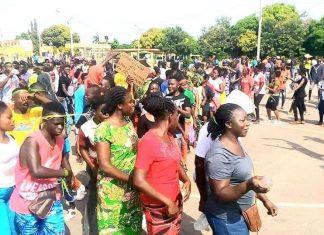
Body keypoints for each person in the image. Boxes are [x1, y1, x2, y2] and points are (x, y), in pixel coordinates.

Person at [205, 103, 278, 234]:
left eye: (247, 119)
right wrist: (249, 184)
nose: (247, 123)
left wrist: (265, 200)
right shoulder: (219, 155)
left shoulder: (235, 142)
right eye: (242, 120)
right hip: (227, 220)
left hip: (241, 215)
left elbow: (243, 178)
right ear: (228, 124)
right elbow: (220, 194)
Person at [10, 102, 72, 235]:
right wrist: (65, 173)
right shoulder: (32, 141)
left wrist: (71, 177)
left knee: (57, 232)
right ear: (45, 121)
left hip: (50, 198)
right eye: (56, 124)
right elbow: (36, 171)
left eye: (63, 123)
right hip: (27, 201)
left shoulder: (59, 139)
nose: (61, 127)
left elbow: (63, 159)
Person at [133, 94, 191, 235]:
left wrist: (186, 179)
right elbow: (138, 180)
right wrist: (167, 202)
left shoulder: (170, 137)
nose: (178, 120)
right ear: (171, 116)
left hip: (174, 202)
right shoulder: (148, 141)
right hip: (158, 207)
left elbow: (175, 161)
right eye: (177, 115)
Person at [94, 86, 142, 234]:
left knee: (132, 227)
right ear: (119, 105)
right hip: (112, 190)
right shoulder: (104, 129)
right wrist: (130, 179)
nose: (133, 104)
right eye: (130, 102)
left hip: (132, 189)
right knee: (114, 229)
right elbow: (104, 165)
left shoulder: (128, 124)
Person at [79, 97, 107, 235]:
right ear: (94, 111)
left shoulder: (110, 125)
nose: (106, 115)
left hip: (111, 169)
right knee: (93, 201)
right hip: (95, 169)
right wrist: (91, 165)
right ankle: (90, 230)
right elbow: (82, 148)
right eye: (102, 111)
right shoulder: (86, 128)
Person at [0, 101, 19, 235]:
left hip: (13, 191)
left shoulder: (11, 138)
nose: (12, 120)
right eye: (8, 117)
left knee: (15, 229)